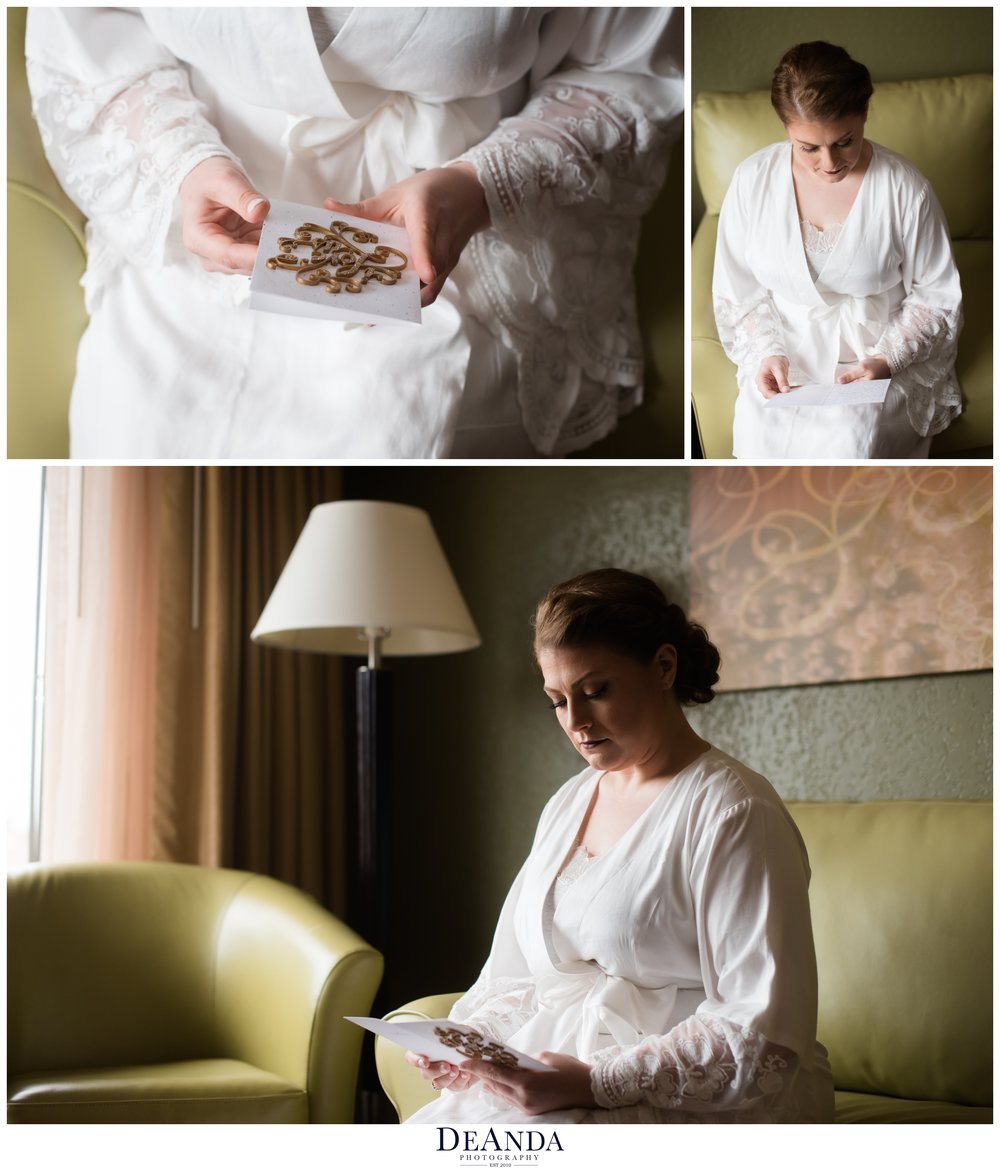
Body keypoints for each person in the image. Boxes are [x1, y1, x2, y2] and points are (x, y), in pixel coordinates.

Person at [25, 8, 682, 459]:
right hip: (197, 217)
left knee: (396, 415)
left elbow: (634, 68)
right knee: (136, 425)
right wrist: (180, 162)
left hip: (462, 239)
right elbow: (83, 27)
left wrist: (481, 185)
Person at [404, 568, 834, 1124]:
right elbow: (520, 972)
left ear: (663, 667)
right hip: (559, 1073)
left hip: (702, 1100)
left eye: (595, 691)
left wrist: (594, 1083)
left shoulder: (734, 812)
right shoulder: (569, 802)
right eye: (557, 700)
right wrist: (471, 1044)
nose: (576, 722)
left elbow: (758, 1031)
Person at [712, 41, 963, 460]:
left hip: (877, 347)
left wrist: (885, 360)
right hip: (785, 347)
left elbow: (936, 296)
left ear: (864, 115)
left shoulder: (906, 189)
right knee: (761, 444)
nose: (829, 163)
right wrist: (767, 352)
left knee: (850, 441)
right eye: (808, 147)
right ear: (786, 128)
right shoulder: (752, 181)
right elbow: (739, 288)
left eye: (844, 142)